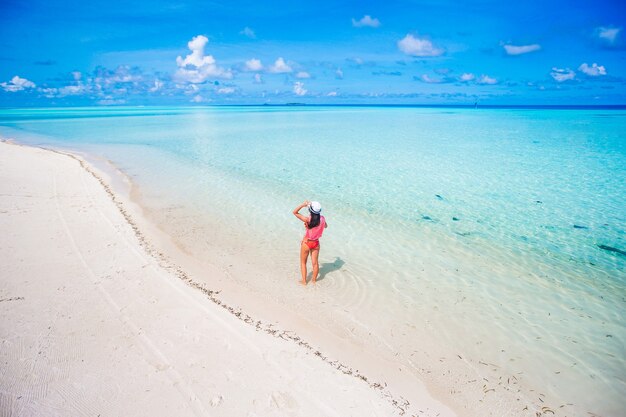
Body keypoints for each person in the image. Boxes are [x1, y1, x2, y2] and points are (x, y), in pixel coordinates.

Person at [293, 200, 328, 284]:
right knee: (315, 263)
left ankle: (304, 281)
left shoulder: (308, 219)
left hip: (306, 243)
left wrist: (303, 205)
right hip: (316, 243)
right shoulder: (322, 219)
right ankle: (314, 281)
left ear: (310, 210)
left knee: (303, 262)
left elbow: (295, 212)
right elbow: (326, 226)